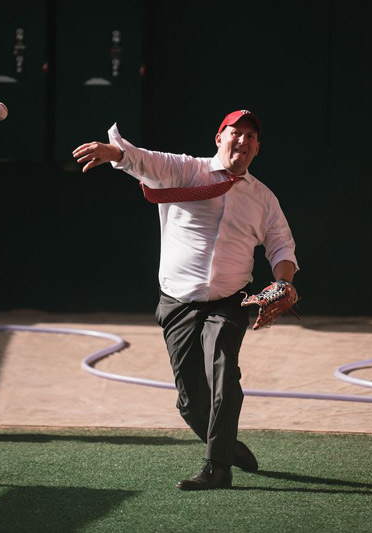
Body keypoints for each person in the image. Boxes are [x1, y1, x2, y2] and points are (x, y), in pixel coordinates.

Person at [72, 109, 299, 490]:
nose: (242, 141)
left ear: (258, 148)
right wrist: (115, 154)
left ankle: (217, 468)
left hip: (230, 301)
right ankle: (226, 446)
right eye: (235, 133)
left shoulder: (263, 199)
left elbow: (281, 244)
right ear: (219, 138)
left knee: (223, 371)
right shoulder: (187, 171)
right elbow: (146, 161)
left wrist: (283, 282)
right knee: (190, 402)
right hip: (178, 302)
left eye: (250, 137)